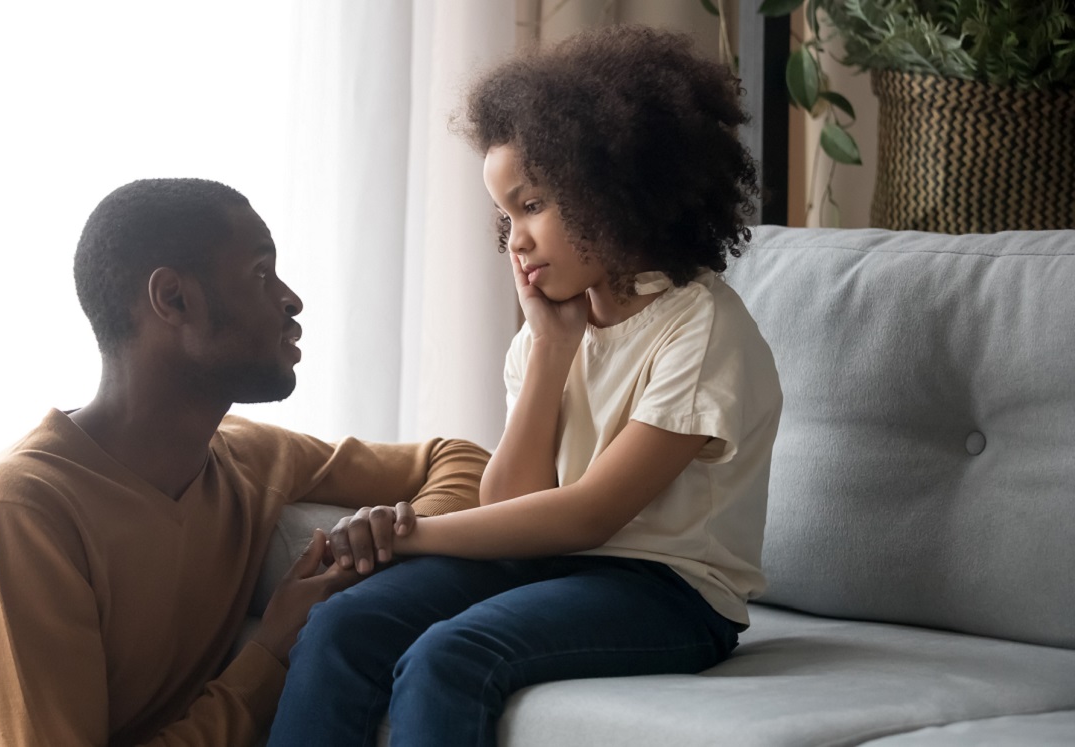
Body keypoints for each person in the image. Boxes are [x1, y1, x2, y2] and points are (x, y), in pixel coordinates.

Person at [267, 25, 783, 747]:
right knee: (343, 623)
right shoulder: (549, 334)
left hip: (669, 593)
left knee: (449, 657)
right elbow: (511, 505)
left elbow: (586, 516)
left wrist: (409, 533)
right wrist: (549, 347)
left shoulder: (699, 329)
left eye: (533, 204)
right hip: (552, 567)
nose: (515, 239)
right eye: (505, 216)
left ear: (609, 188)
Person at [0, 178, 489, 746]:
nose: (291, 299)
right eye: (260, 273)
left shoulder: (249, 457)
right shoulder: (20, 509)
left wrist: (404, 541)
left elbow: (459, 458)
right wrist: (270, 655)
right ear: (173, 299)